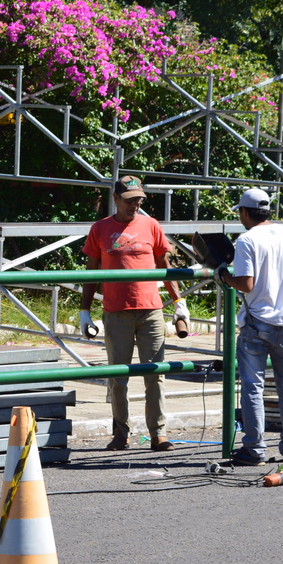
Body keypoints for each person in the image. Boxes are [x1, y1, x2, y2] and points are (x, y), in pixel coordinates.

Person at [80, 175, 190, 452]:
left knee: (155, 374)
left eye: (139, 199)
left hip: (151, 311)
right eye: (129, 200)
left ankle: (158, 433)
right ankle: (121, 433)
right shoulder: (100, 229)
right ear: (116, 199)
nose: (135, 204)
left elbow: (165, 264)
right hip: (116, 312)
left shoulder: (151, 225)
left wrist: (179, 302)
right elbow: (91, 271)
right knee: (118, 377)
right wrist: (84, 310)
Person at [216, 188, 283, 465]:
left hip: (258, 323)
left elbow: (246, 283)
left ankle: (254, 448)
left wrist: (223, 276)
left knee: (253, 387)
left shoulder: (247, 239)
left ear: (244, 212)